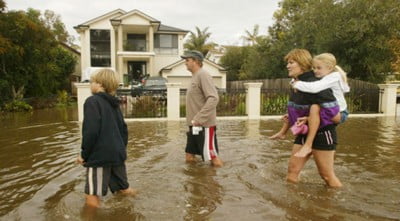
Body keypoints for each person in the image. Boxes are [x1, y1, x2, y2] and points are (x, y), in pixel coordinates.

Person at [272, 48, 342, 187]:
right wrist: (284, 129)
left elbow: (336, 117)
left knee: (327, 176)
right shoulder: (297, 83)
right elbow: (300, 108)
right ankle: (294, 206)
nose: (288, 66)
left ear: (302, 64)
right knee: (292, 173)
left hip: (323, 134)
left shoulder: (315, 85)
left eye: (291, 62)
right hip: (304, 134)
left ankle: (336, 205)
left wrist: (310, 118)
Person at [76, 69, 136, 208]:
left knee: (91, 194)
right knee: (124, 189)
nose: (91, 84)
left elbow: (90, 132)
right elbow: (124, 131)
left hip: (100, 157)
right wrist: (120, 150)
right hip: (117, 154)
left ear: (100, 84)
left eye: (92, 82)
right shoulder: (115, 104)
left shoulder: (92, 101)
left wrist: (84, 155)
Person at [291, 53, 350, 157]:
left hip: (340, 113)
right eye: (314, 68)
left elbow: (314, 88)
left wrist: (296, 84)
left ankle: (308, 145)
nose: (315, 71)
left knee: (315, 107)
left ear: (330, 68)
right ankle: (308, 121)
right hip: (329, 111)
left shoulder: (333, 77)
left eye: (319, 68)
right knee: (313, 109)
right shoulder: (326, 76)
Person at [181, 50, 223, 167]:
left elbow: (213, 98)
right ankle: (197, 181)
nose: (185, 63)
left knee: (213, 158)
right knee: (189, 157)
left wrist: (199, 118)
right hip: (194, 126)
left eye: (187, 60)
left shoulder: (203, 75)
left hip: (204, 125)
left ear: (196, 61)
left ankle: (216, 183)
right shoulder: (195, 76)